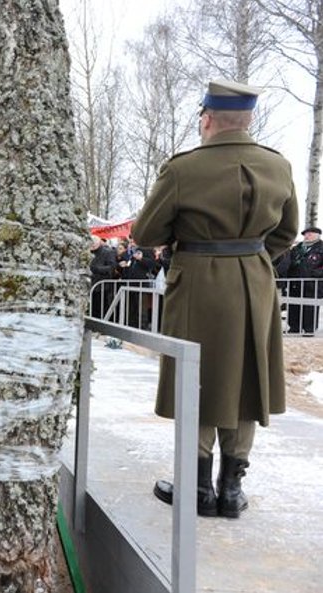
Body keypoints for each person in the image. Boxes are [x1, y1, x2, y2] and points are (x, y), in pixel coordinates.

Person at [132, 80, 299, 518]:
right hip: (256, 284)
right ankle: (230, 489)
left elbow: (145, 233)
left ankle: (197, 488)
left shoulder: (184, 169)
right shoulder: (278, 166)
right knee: (248, 380)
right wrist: (250, 257)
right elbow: (286, 233)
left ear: (206, 119)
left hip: (199, 284)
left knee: (197, 377)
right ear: (248, 120)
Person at [284, 226, 322, 335]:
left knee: (310, 307)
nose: (307, 236)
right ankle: (294, 328)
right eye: (305, 234)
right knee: (294, 305)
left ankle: (309, 330)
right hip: (295, 282)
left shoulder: (321, 247)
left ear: (317, 235)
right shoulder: (297, 248)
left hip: (312, 283)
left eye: (310, 234)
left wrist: (315, 274)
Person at [88, 236, 117, 318]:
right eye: (91, 244)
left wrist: (97, 269)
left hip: (102, 286)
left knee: (102, 308)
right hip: (90, 285)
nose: (92, 245)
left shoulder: (108, 252)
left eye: (94, 244)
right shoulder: (88, 252)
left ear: (99, 242)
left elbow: (112, 267)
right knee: (92, 309)